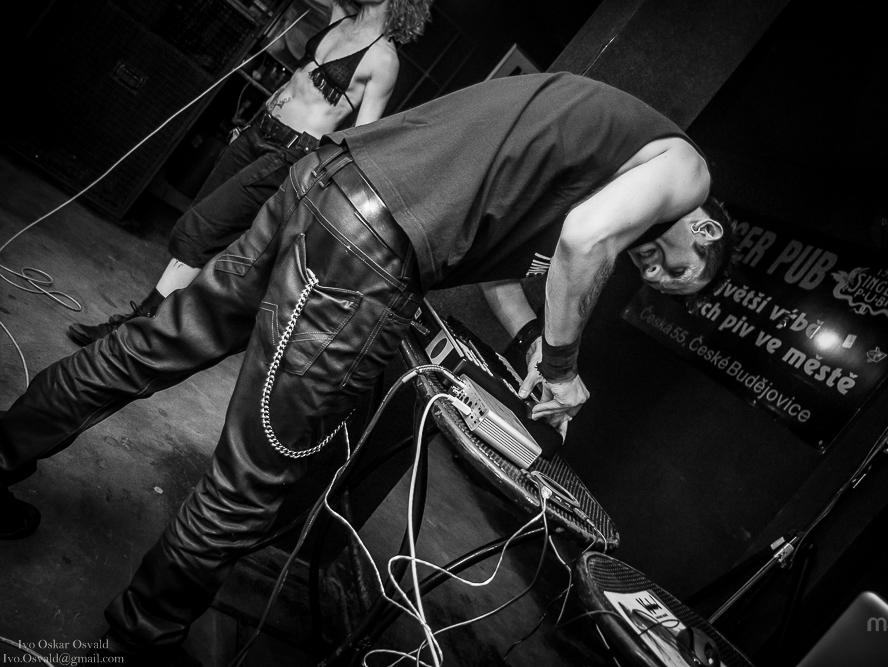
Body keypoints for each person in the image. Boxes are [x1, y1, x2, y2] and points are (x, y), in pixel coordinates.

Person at [1, 72, 733, 662]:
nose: (655, 274)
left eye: (663, 282)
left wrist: (534, 343)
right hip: (364, 252)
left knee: (155, 344)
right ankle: (137, 638)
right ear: (704, 227)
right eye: (678, 272)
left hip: (324, 183)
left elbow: (507, 271)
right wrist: (566, 365)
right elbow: (585, 241)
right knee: (252, 480)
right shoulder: (688, 171)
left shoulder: (600, 150)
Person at [65, 0, 433, 347]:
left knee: (201, 228)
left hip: (289, 153)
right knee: (200, 224)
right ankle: (159, 328)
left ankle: (132, 331)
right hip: (258, 131)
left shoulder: (383, 59)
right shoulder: (341, 16)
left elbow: (359, 137)